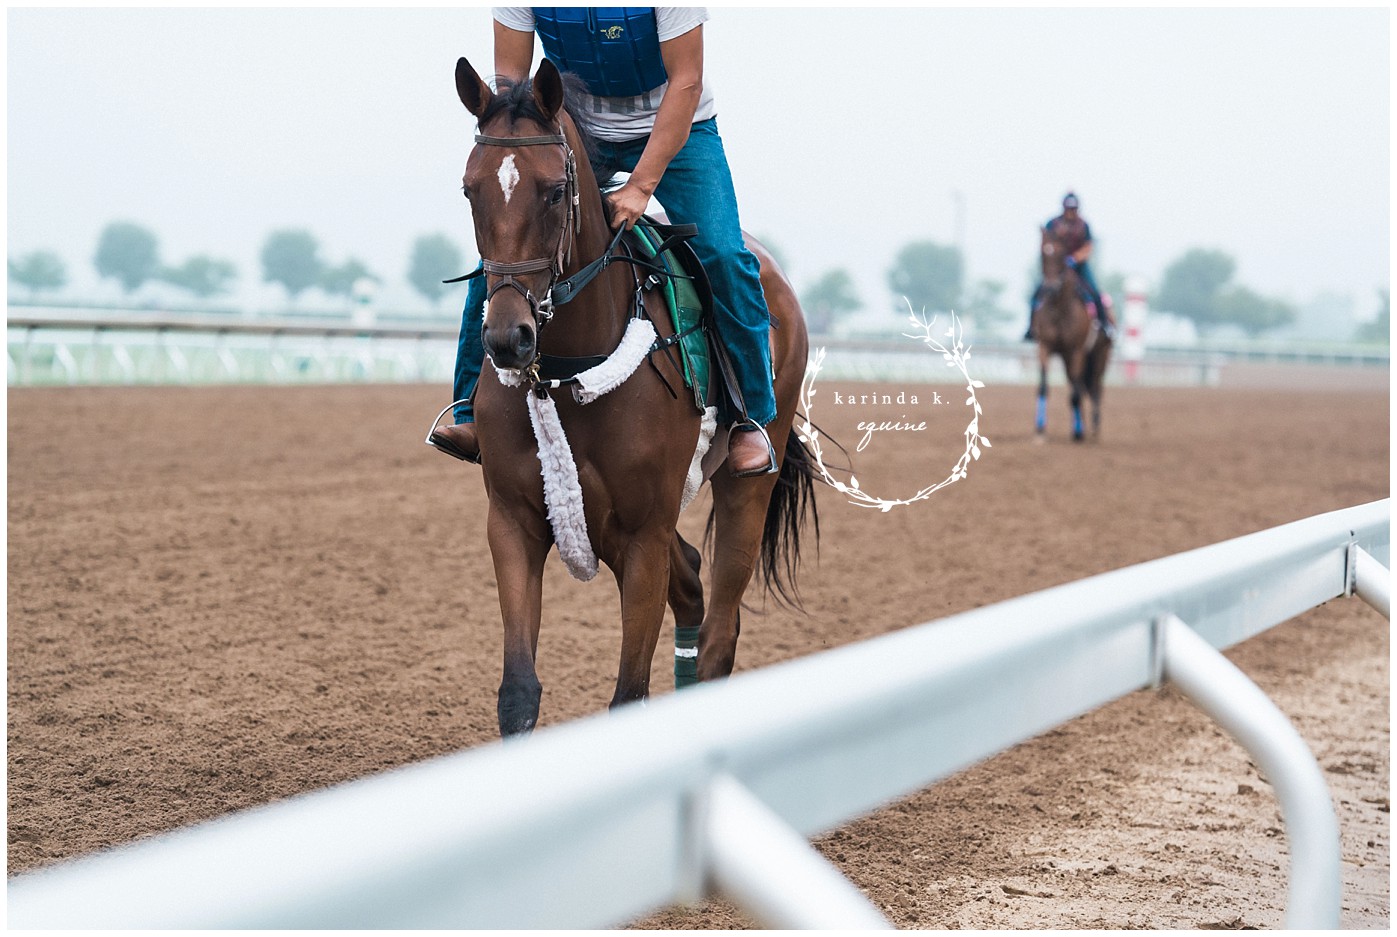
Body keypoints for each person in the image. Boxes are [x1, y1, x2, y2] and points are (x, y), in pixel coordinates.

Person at [430, 7, 779, 476]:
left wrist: (641, 186)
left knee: (723, 254)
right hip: (571, 127)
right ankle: (468, 410)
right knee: (506, 249)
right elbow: (512, 86)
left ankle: (752, 418)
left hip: (677, 125)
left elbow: (687, 82)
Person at [1024, 192, 1116, 340]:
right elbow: (1046, 242)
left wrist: (1075, 258)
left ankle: (1104, 325)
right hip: (1057, 267)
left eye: (1073, 209)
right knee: (1037, 294)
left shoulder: (1083, 225)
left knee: (1094, 292)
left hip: (1078, 266)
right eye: (1068, 208)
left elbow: (1088, 247)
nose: (1070, 212)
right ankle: (1031, 328)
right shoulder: (1053, 224)